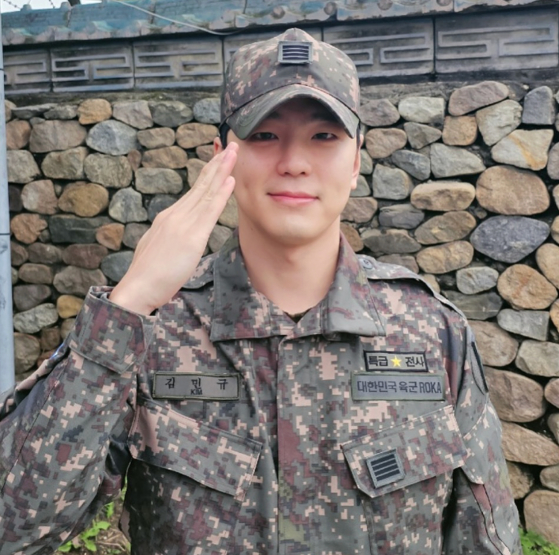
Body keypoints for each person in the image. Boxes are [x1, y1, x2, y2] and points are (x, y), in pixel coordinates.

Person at [0, 28, 521, 555]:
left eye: (324, 136)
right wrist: (130, 301)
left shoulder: (432, 331)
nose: (294, 161)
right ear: (221, 155)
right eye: (265, 134)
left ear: (356, 160)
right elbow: (15, 529)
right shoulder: (148, 329)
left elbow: (487, 539)